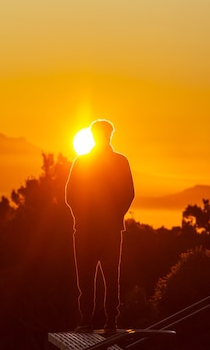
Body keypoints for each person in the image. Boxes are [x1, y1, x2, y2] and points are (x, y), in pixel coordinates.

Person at [65, 119, 135, 333]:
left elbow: (128, 193)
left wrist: (114, 217)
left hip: (109, 231)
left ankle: (111, 321)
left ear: (109, 135)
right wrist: (82, 218)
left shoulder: (120, 162)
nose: (102, 137)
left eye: (105, 133)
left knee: (111, 278)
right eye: (98, 134)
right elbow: (71, 194)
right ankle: (86, 320)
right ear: (93, 136)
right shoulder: (81, 161)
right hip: (86, 231)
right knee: (85, 279)